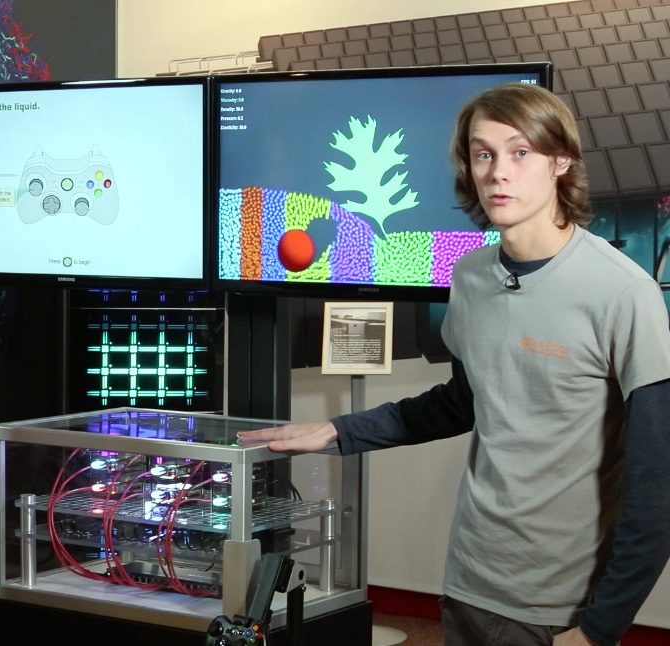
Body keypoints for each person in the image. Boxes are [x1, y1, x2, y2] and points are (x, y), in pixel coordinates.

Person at [239, 83, 670, 646]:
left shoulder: (624, 292)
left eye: (521, 152)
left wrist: (599, 628)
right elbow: (460, 404)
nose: (498, 172)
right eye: (483, 153)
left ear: (561, 161)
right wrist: (338, 431)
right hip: (469, 580)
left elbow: (656, 485)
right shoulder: (470, 276)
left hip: (559, 607)